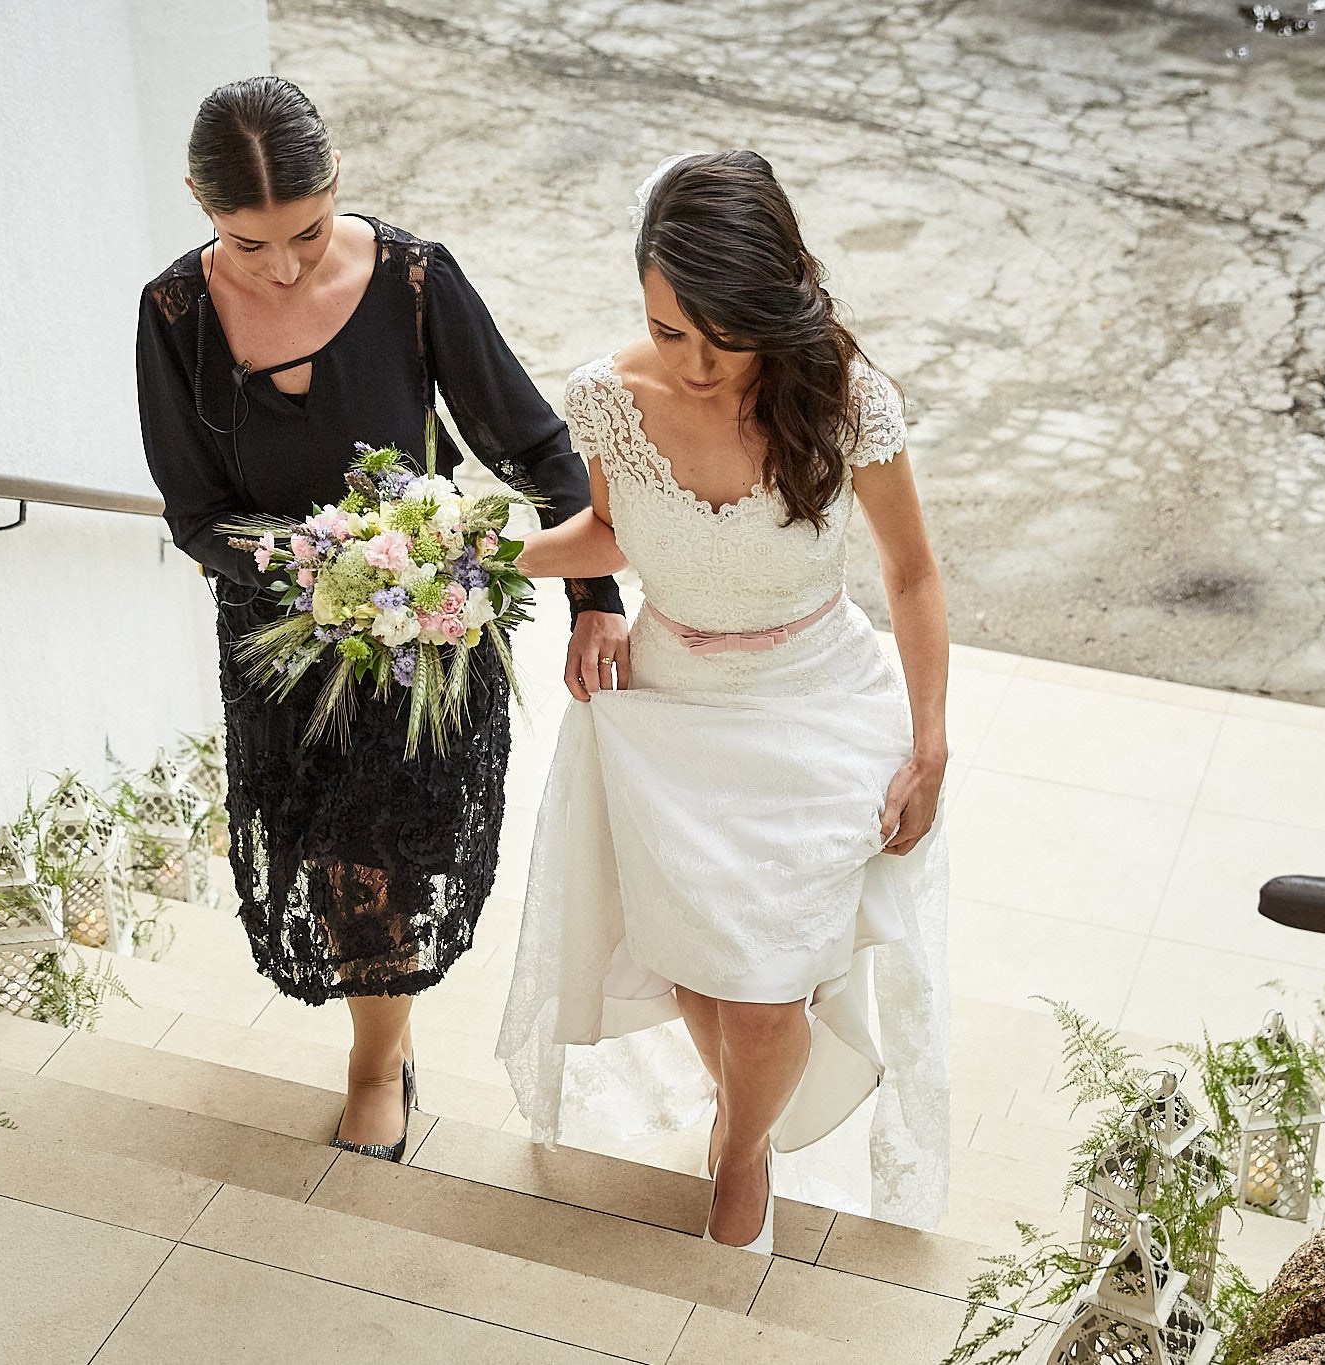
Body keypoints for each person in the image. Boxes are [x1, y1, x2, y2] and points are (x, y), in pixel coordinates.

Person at [137, 76, 628, 1161]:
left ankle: (374, 1065)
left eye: (305, 234)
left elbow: (532, 445)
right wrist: (308, 562)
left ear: (337, 184)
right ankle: (383, 1046)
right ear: (196, 203)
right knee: (323, 852)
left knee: (382, 854)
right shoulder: (171, 316)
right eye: (247, 242)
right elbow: (196, 510)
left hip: (428, 634)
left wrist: (594, 597)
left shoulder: (412, 279)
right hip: (279, 645)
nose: (281, 266)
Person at [498, 151, 952, 1248]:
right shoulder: (608, 399)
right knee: (698, 976)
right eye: (667, 332)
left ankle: (741, 1148)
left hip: (813, 708)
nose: (693, 365)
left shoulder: (846, 403)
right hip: (669, 712)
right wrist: (482, 559)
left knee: (758, 1002)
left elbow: (910, 575)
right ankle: (736, 1111)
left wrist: (929, 746)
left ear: (772, 304)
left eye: (719, 335)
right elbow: (607, 532)